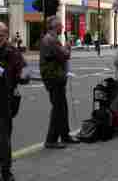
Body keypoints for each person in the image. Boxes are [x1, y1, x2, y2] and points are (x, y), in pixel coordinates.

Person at [0, 22, 29, 181]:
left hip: (3, 101)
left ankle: (6, 172)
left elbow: (25, 69)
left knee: (3, 139)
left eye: (1, 35)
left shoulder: (12, 52)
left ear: (6, 36)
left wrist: (23, 76)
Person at [40, 16, 80, 149]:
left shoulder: (51, 39)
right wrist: (68, 47)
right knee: (58, 109)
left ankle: (65, 135)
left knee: (62, 108)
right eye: (60, 25)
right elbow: (64, 55)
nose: (62, 28)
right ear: (54, 26)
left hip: (56, 77)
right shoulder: (51, 40)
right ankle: (51, 140)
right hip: (54, 78)